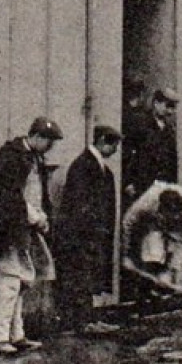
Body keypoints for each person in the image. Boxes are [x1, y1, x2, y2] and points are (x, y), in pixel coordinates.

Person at [0, 117, 61, 356]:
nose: (50, 148)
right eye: (48, 142)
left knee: (21, 280)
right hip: (9, 227)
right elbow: (10, 196)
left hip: (26, 225)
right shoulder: (11, 155)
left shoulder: (33, 157)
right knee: (9, 279)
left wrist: (41, 216)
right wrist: (35, 217)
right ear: (37, 137)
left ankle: (16, 334)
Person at [56, 125, 121, 331]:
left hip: (94, 234)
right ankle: (82, 322)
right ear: (102, 141)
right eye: (113, 145)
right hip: (82, 234)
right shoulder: (83, 166)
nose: (116, 150)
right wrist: (90, 230)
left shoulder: (101, 168)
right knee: (80, 276)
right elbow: (79, 204)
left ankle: (89, 319)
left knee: (89, 277)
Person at [122, 182, 182, 308]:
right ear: (160, 209)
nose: (170, 220)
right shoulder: (146, 203)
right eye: (167, 216)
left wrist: (170, 271)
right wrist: (126, 254)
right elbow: (128, 224)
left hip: (178, 229)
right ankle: (144, 302)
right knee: (151, 251)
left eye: (174, 217)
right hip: (150, 223)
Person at [123, 86, 179, 204]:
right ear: (156, 103)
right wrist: (128, 182)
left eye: (173, 107)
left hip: (163, 188)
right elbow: (127, 153)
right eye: (167, 106)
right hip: (141, 186)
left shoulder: (169, 130)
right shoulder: (140, 124)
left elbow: (172, 161)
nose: (170, 111)